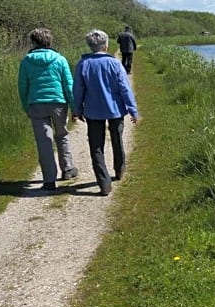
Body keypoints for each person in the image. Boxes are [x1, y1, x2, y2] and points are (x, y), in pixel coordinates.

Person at [73, 29, 139, 196]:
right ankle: (120, 170)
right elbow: (125, 89)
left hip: (93, 112)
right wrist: (132, 110)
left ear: (89, 46)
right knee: (117, 139)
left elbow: (78, 90)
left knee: (96, 147)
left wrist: (77, 110)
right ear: (106, 45)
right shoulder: (115, 64)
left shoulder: (83, 64)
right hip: (115, 110)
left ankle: (104, 184)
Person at [18, 28, 78, 192]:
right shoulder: (60, 60)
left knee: (44, 142)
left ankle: (49, 180)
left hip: (36, 104)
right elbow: (69, 86)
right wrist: (75, 108)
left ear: (34, 42)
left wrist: (26, 107)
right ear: (49, 41)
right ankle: (67, 169)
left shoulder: (26, 61)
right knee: (62, 135)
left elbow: (23, 88)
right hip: (58, 103)